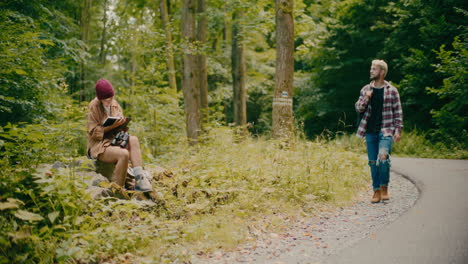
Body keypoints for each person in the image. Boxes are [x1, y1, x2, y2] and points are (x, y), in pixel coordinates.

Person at [86, 79, 152, 192]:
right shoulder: (93, 106)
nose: (109, 101)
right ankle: (118, 190)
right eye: (106, 100)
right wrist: (111, 126)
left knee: (134, 139)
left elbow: (121, 127)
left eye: (111, 98)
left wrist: (122, 123)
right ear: (100, 98)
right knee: (124, 154)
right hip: (99, 146)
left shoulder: (115, 104)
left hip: (114, 139)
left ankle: (140, 178)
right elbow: (94, 133)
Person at [355, 60, 403, 203]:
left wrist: (398, 130)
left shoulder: (392, 90)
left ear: (382, 72)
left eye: (374, 69)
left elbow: (398, 112)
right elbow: (358, 108)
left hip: (387, 129)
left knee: (383, 157)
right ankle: (376, 190)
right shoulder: (365, 89)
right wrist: (366, 98)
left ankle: (384, 188)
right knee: (372, 162)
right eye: (371, 68)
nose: (371, 71)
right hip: (370, 130)